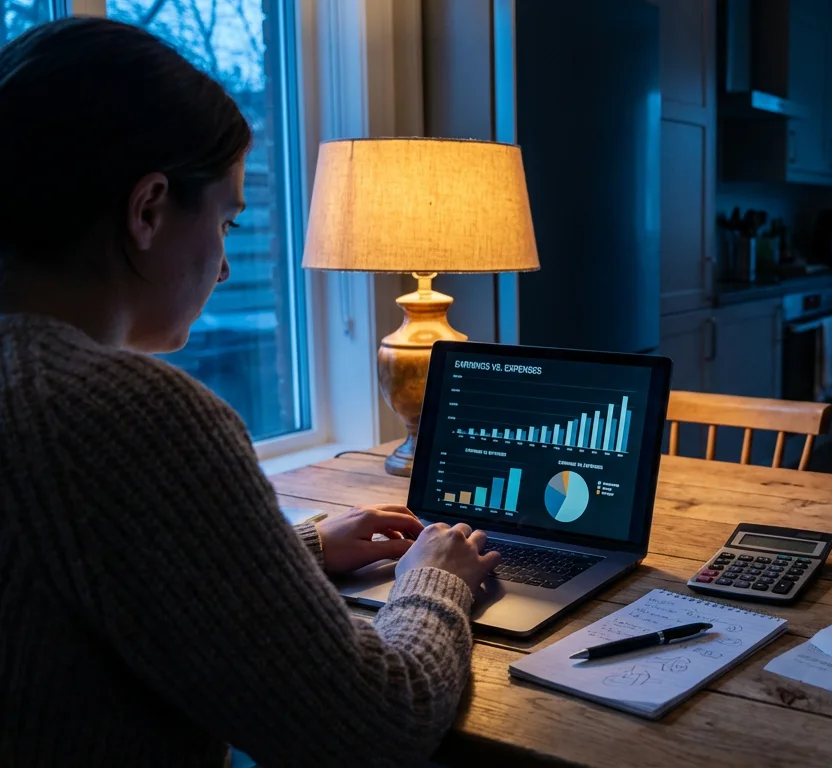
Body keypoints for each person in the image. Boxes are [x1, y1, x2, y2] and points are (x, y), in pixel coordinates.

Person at [0, 17, 500, 767]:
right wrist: (434, 580)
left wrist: (294, 553)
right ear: (148, 209)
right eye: (228, 221)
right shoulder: (126, 414)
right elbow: (373, 727)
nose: (226, 266)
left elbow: (74, 583)